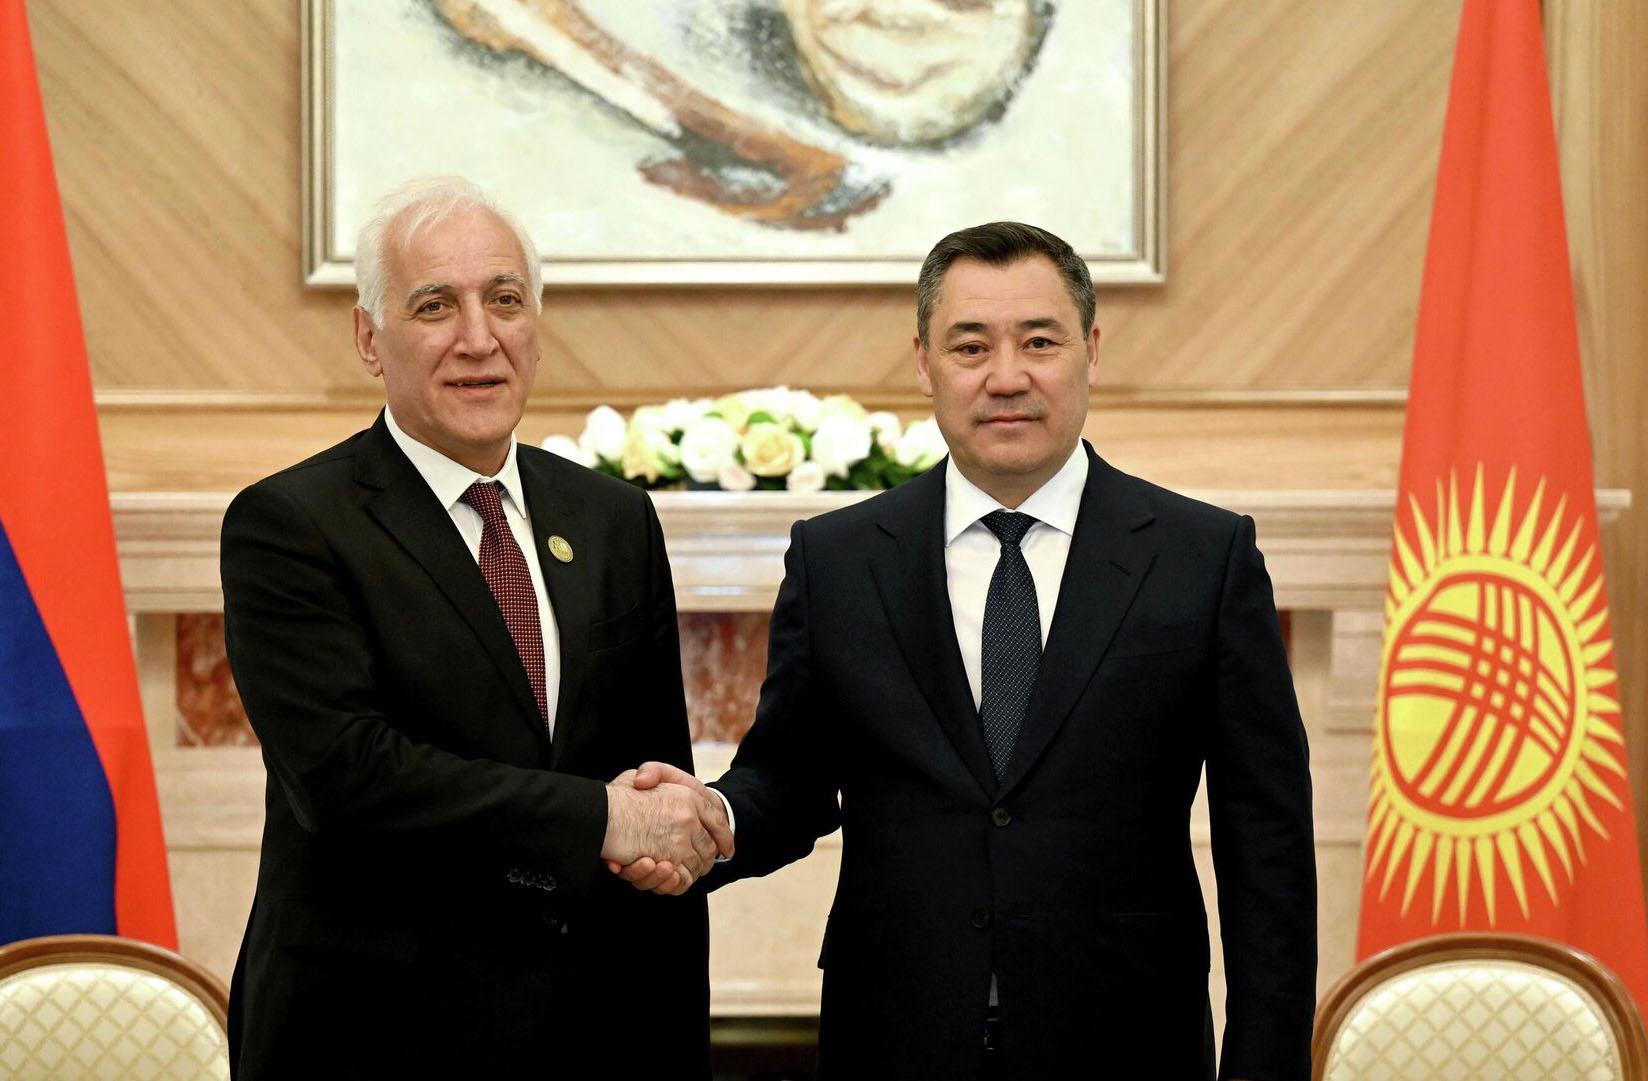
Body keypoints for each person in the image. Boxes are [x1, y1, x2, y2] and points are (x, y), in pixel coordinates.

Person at [614, 222, 1317, 1079]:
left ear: (1092, 351)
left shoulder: (1201, 557)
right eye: (971, 345)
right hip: (896, 1036)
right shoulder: (839, 559)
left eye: (1040, 342)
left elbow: (1268, 845)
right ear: (925, 362)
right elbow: (791, 779)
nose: (1007, 376)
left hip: (1128, 1039)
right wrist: (712, 819)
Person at [220, 176, 729, 1078]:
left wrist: (666, 848)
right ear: (369, 338)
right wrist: (601, 818)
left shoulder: (613, 518)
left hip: (595, 1029)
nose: (478, 338)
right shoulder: (292, 524)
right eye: (434, 305)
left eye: (505, 299)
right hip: (377, 1036)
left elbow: (654, 775)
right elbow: (348, 777)